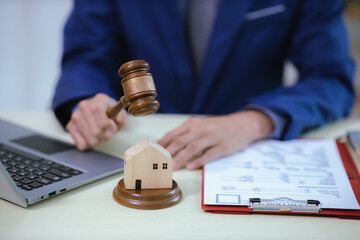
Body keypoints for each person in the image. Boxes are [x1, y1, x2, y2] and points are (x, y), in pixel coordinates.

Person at [52, 0, 355, 171]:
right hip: (135, 145)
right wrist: (86, 100)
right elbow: (86, 55)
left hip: (244, 155)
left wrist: (256, 121)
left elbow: (331, 77)